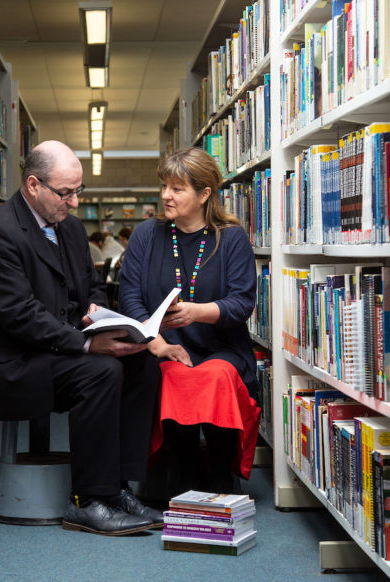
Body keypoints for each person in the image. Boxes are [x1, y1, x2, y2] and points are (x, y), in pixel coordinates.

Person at [0, 140, 163, 535]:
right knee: (101, 371)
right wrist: (88, 343)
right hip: (11, 364)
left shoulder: (70, 230)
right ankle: (89, 501)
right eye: (66, 192)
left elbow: (90, 285)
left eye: (78, 191)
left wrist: (94, 312)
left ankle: (118, 488)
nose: (74, 203)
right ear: (33, 184)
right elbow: (20, 316)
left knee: (142, 362)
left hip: (56, 353)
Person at [118, 147, 261, 495]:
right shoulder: (147, 235)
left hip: (221, 347)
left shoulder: (230, 238)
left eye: (177, 188)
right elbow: (129, 296)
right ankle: (184, 470)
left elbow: (242, 304)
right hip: (164, 345)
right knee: (173, 373)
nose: (166, 195)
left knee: (215, 376)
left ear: (204, 194)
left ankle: (219, 472)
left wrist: (197, 311)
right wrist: (158, 344)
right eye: (165, 186)